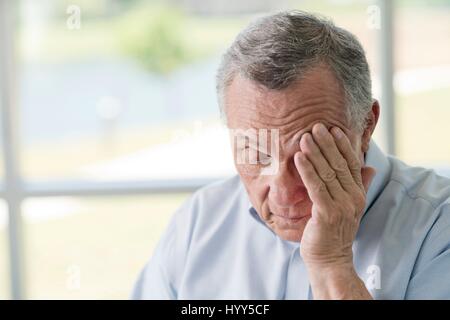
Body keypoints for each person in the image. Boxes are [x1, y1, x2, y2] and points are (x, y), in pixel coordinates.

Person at [132, 10, 450, 299]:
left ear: (366, 125)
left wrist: (332, 265)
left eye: (309, 156)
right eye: (256, 153)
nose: (284, 193)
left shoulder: (438, 230)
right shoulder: (197, 224)